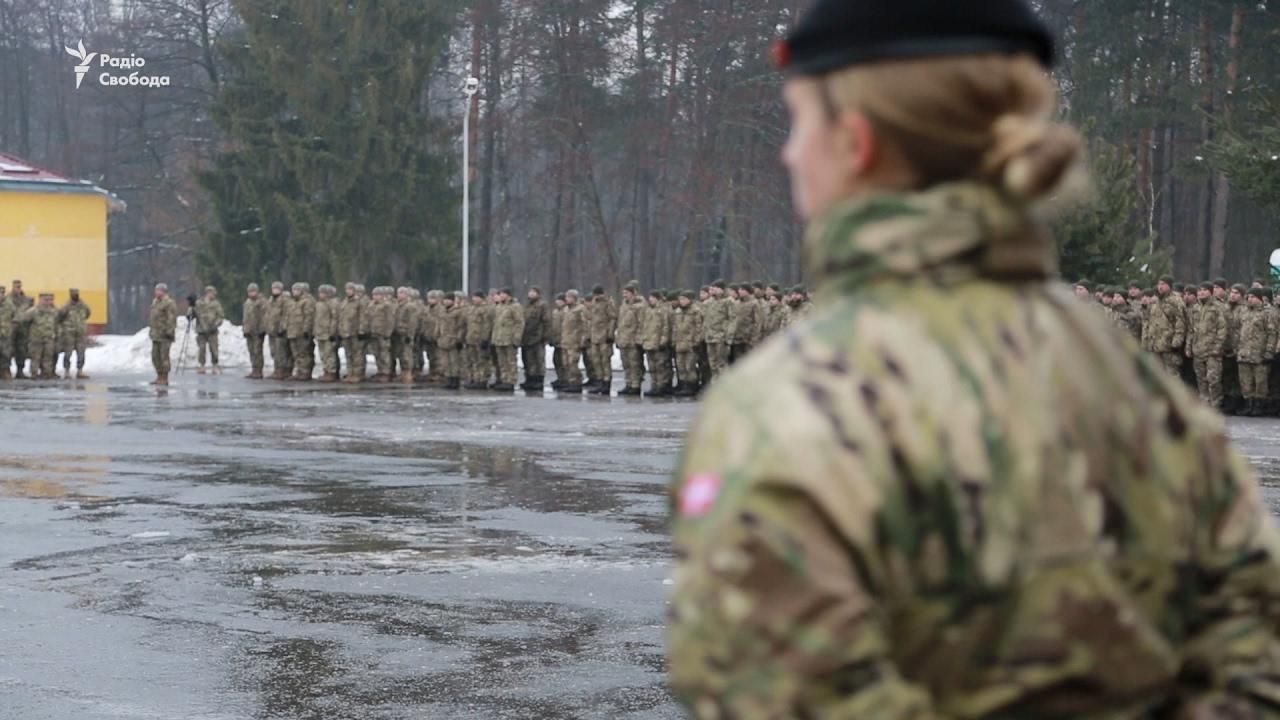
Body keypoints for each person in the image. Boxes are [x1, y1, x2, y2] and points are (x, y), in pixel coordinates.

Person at [667, 0, 1280, 716]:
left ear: (856, 143)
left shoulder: (788, 400)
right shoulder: (1120, 371)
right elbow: (1252, 644)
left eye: (800, 122)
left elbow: (778, 690)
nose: (788, 152)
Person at [20, 293, 59, 379]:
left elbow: (56, 323)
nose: (48, 302)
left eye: (50, 300)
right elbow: (24, 321)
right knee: (35, 357)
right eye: (46, 300)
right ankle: (34, 374)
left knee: (48, 357)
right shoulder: (33, 311)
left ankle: (47, 374)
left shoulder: (53, 312)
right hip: (36, 339)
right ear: (40, 300)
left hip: (49, 338)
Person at [57, 288, 92, 379]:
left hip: (80, 333)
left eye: (77, 294)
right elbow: (60, 316)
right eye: (74, 294)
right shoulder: (66, 306)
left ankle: (80, 370)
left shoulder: (83, 306)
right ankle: (67, 371)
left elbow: (88, 313)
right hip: (69, 333)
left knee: (81, 353)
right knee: (68, 353)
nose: (75, 295)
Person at [521, 287, 551, 391]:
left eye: (533, 292)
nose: (531, 294)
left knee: (538, 360)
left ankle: (539, 381)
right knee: (528, 360)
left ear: (538, 294)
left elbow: (546, 321)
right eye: (530, 292)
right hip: (527, 337)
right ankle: (530, 379)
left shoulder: (542, 305)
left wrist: (545, 336)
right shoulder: (527, 306)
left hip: (538, 336)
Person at [148, 283, 177, 386]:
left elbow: (171, 318)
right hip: (156, 334)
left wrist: (169, 331)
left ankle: (164, 378)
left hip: (164, 334)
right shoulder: (155, 302)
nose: (156, 292)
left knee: (164, 357)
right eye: (156, 290)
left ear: (163, 291)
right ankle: (159, 376)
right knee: (155, 356)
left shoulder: (169, 303)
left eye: (158, 290)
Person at [194, 286, 225, 374]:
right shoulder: (199, 303)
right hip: (201, 329)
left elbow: (220, 316)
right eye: (212, 293)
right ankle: (202, 365)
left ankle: (215, 365)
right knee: (201, 348)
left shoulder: (216, 304)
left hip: (212, 330)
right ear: (208, 293)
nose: (214, 295)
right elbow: (193, 313)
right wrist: (191, 306)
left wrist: (216, 324)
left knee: (214, 348)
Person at [242, 284, 269, 379]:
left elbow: (265, 317)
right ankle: (254, 368)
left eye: (254, 291)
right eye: (250, 291)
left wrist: (263, 329)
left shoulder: (262, 302)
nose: (252, 293)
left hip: (258, 330)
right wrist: (245, 329)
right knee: (251, 351)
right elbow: (245, 317)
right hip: (249, 330)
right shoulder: (247, 303)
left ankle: (259, 370)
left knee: (258, 351)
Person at [0, 285, 11, 380]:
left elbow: (17, 315)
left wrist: (12, 326)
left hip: (5, 334)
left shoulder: (9, 305)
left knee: (5, 353)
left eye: (2, 293)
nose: (1, 295)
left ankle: (5, 372)